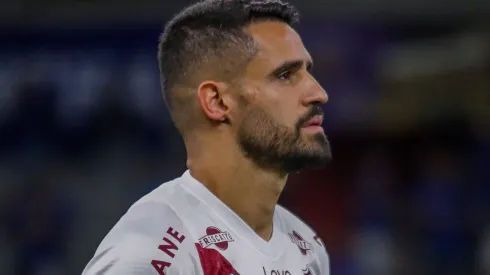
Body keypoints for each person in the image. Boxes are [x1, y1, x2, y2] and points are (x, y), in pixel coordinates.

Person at [82, 0, 332, 274]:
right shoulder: (152, 255)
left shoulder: (307, 249)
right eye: (285, 75)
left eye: (308, 71)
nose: (318, 93)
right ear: (217, 102)